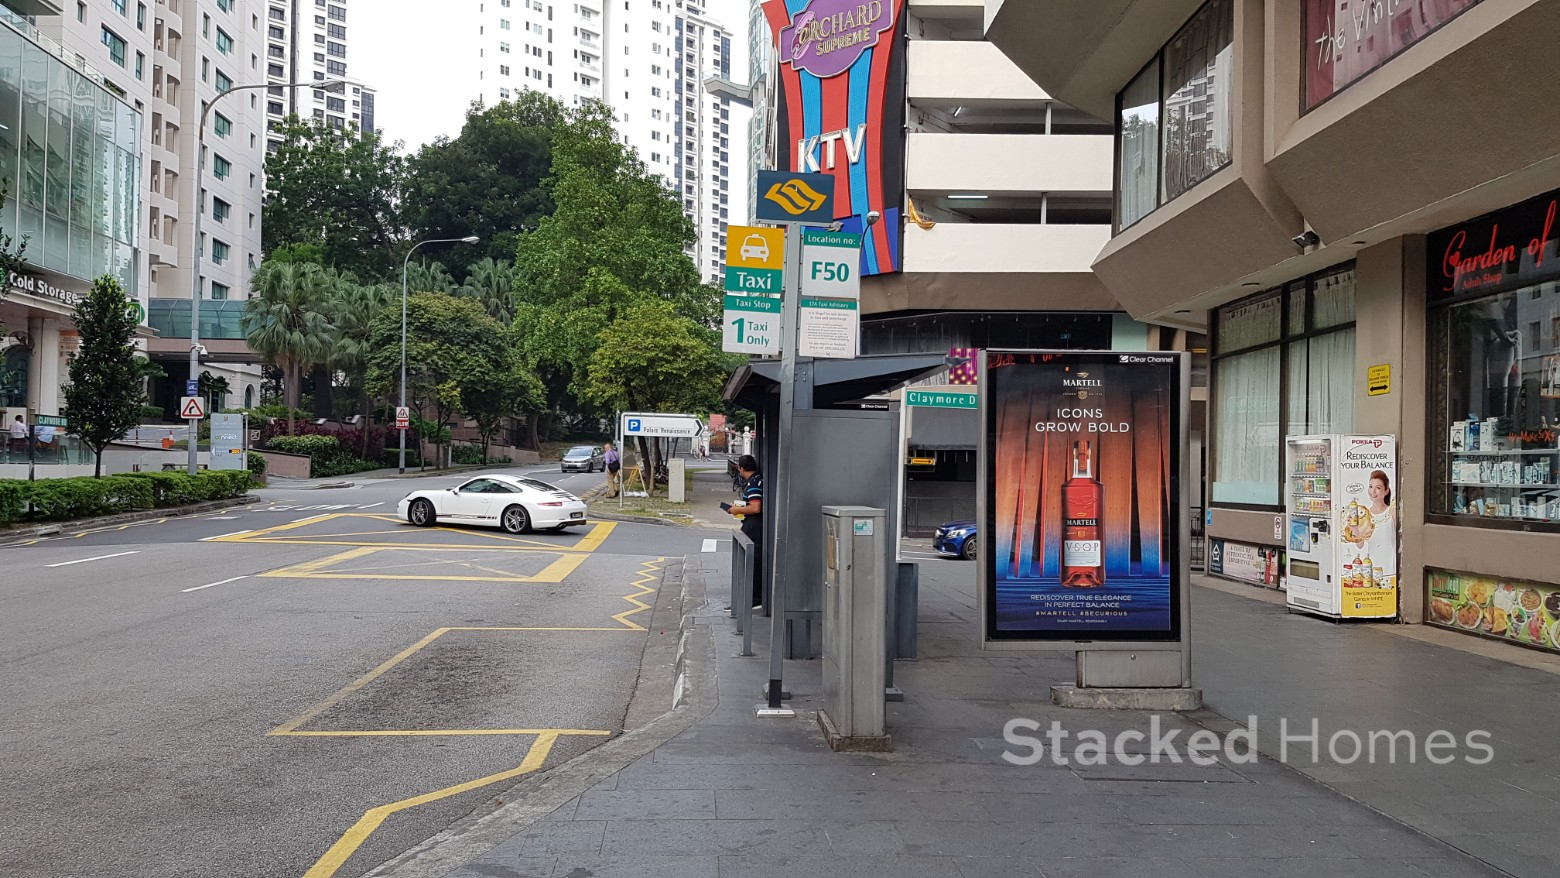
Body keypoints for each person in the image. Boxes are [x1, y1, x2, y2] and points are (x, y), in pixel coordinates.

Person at [726, 454, 764, 607]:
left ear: (741, 469)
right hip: (755, 525)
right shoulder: (758, 479)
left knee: (752, 561)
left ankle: (755, 598)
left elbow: (755, 507)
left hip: (754, 526)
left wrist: (736, 509)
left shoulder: (754, 483)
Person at [1364, 469, 1397, 589]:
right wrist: (1353, 529)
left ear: (1386, 491)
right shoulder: (1365, 514)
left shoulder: (1392, 511)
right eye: (1370, 486)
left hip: (1390, 563)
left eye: (1378, 488)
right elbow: (1359, 544)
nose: (1373, 491)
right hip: (1371, 563)